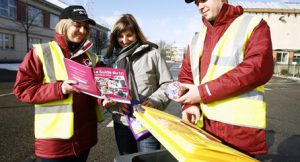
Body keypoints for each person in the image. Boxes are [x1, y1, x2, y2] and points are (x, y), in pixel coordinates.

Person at [174, 0, 274, 156]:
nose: (200, 7)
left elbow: (258, 68)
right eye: (197, 3)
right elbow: (186, 76)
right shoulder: (196, 39)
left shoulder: (252, 25)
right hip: (203, 130)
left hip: (237, 135)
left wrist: (203, 92)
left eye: (204, 0)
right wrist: (189, 106)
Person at [14, 5, 102, 162]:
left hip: (85, 138)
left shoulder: (91, 57)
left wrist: (104, 98)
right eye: (77, 25)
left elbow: (98, 89)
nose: (82, 31)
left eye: (85, 27)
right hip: (54, 142)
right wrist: (60, 88)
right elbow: (22, 89)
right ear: (64, 25)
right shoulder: (41, 52)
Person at [102, 13, 173, 155]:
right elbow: (105, 89)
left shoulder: (152, 54)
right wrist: (115, 105)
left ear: (137, 34)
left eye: (129, 35)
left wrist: (155, 100)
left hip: (148, 120)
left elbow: (168, 84)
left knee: (146, 159)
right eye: (120, 36)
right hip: (122, 122)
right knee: (127, 158)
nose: (125, 40)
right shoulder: (110, 58)